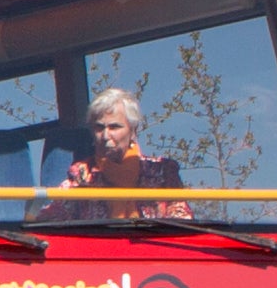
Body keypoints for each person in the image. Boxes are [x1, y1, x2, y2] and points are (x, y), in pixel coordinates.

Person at [47, 84, 190, 222]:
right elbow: (51, 219)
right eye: (99, 128)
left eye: (114, 127)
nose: (105, 136)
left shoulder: (163, 172)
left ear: (133, 131)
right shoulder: (81, 174)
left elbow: (182, 221)